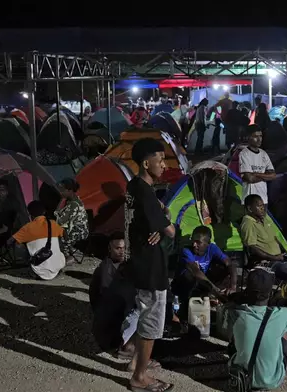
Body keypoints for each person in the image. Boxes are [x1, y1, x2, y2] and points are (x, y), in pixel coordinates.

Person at [124, 137, 176, 392]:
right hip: (150, 267)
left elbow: (156, 216)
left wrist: (159, 222)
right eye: (160, 160)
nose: (164, 165)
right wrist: (166, 223)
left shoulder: (133, 186)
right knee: (151, 323)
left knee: (146, 314)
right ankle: (139, 378)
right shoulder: (145, 193)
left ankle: (135, 362)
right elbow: (171, 231)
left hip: (139, 261)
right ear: (146, 163)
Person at [228, 269, 287, 391]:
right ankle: (267, 368)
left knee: (235, 338)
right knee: (283, 333)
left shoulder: (236, 313)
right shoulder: (286, 314)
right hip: (272, 381)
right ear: (270, 293)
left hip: (241, 379)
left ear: (247, 291)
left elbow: (229, 334)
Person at [171, 226, 237, 320]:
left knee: (224, 267)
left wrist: (233, 286)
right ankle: (187, 303)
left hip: (202, 283)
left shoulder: (212, 248)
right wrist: (216, 291)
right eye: (193, 241)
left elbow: (230, 263)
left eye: (198, 242)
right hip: (183, 286)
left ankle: (214, 296)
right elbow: (196, 272)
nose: (194, 245)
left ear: (207, 243)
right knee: (190, 275)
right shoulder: (186, 251)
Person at [240, 194, 287, 281]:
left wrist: (285, 252)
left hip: (280, 258)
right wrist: (275, 258)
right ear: (250, 209)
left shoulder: (265, 219)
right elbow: (252, 248)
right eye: (259, 206)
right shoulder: (248, 223)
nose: (263, 208)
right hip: (266, 262)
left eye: (263, 205)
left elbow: (275, 238)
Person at [10, 200, 65, 281]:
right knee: (58, 241)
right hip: (57, 268)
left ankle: (29, 266)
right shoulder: (53, 223)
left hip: (38, 272)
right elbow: (65, 235)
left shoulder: (28, 227)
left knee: (19, 244)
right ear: (44, 212)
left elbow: (10, 241)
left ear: (29, 214)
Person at [90, 231, 128, 311]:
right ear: (110, 248)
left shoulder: (128, 264)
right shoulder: (104, 270)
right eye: (118, 248)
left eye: (124, 248)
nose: (122, 251)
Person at [239, 125, 276, 205]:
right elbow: (250, 179)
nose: (259, 139)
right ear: (248, 137)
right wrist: (266, 176)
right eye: (255, 136)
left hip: (263, 199)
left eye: (260, 136)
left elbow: (273, 176)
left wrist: (256, 174)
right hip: (249, 200)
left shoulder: (264, 154)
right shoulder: (244, 154)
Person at [55, 178, 89, 265]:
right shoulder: (70, 201)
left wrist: (59, 206)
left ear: (70, 190)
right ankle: (69, 252)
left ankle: (67, 257)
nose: (60, 192)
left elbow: (60, 221)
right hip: (73, 228)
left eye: (63, 190)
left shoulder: (74, 204)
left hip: (78, 232)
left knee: (58, 236)